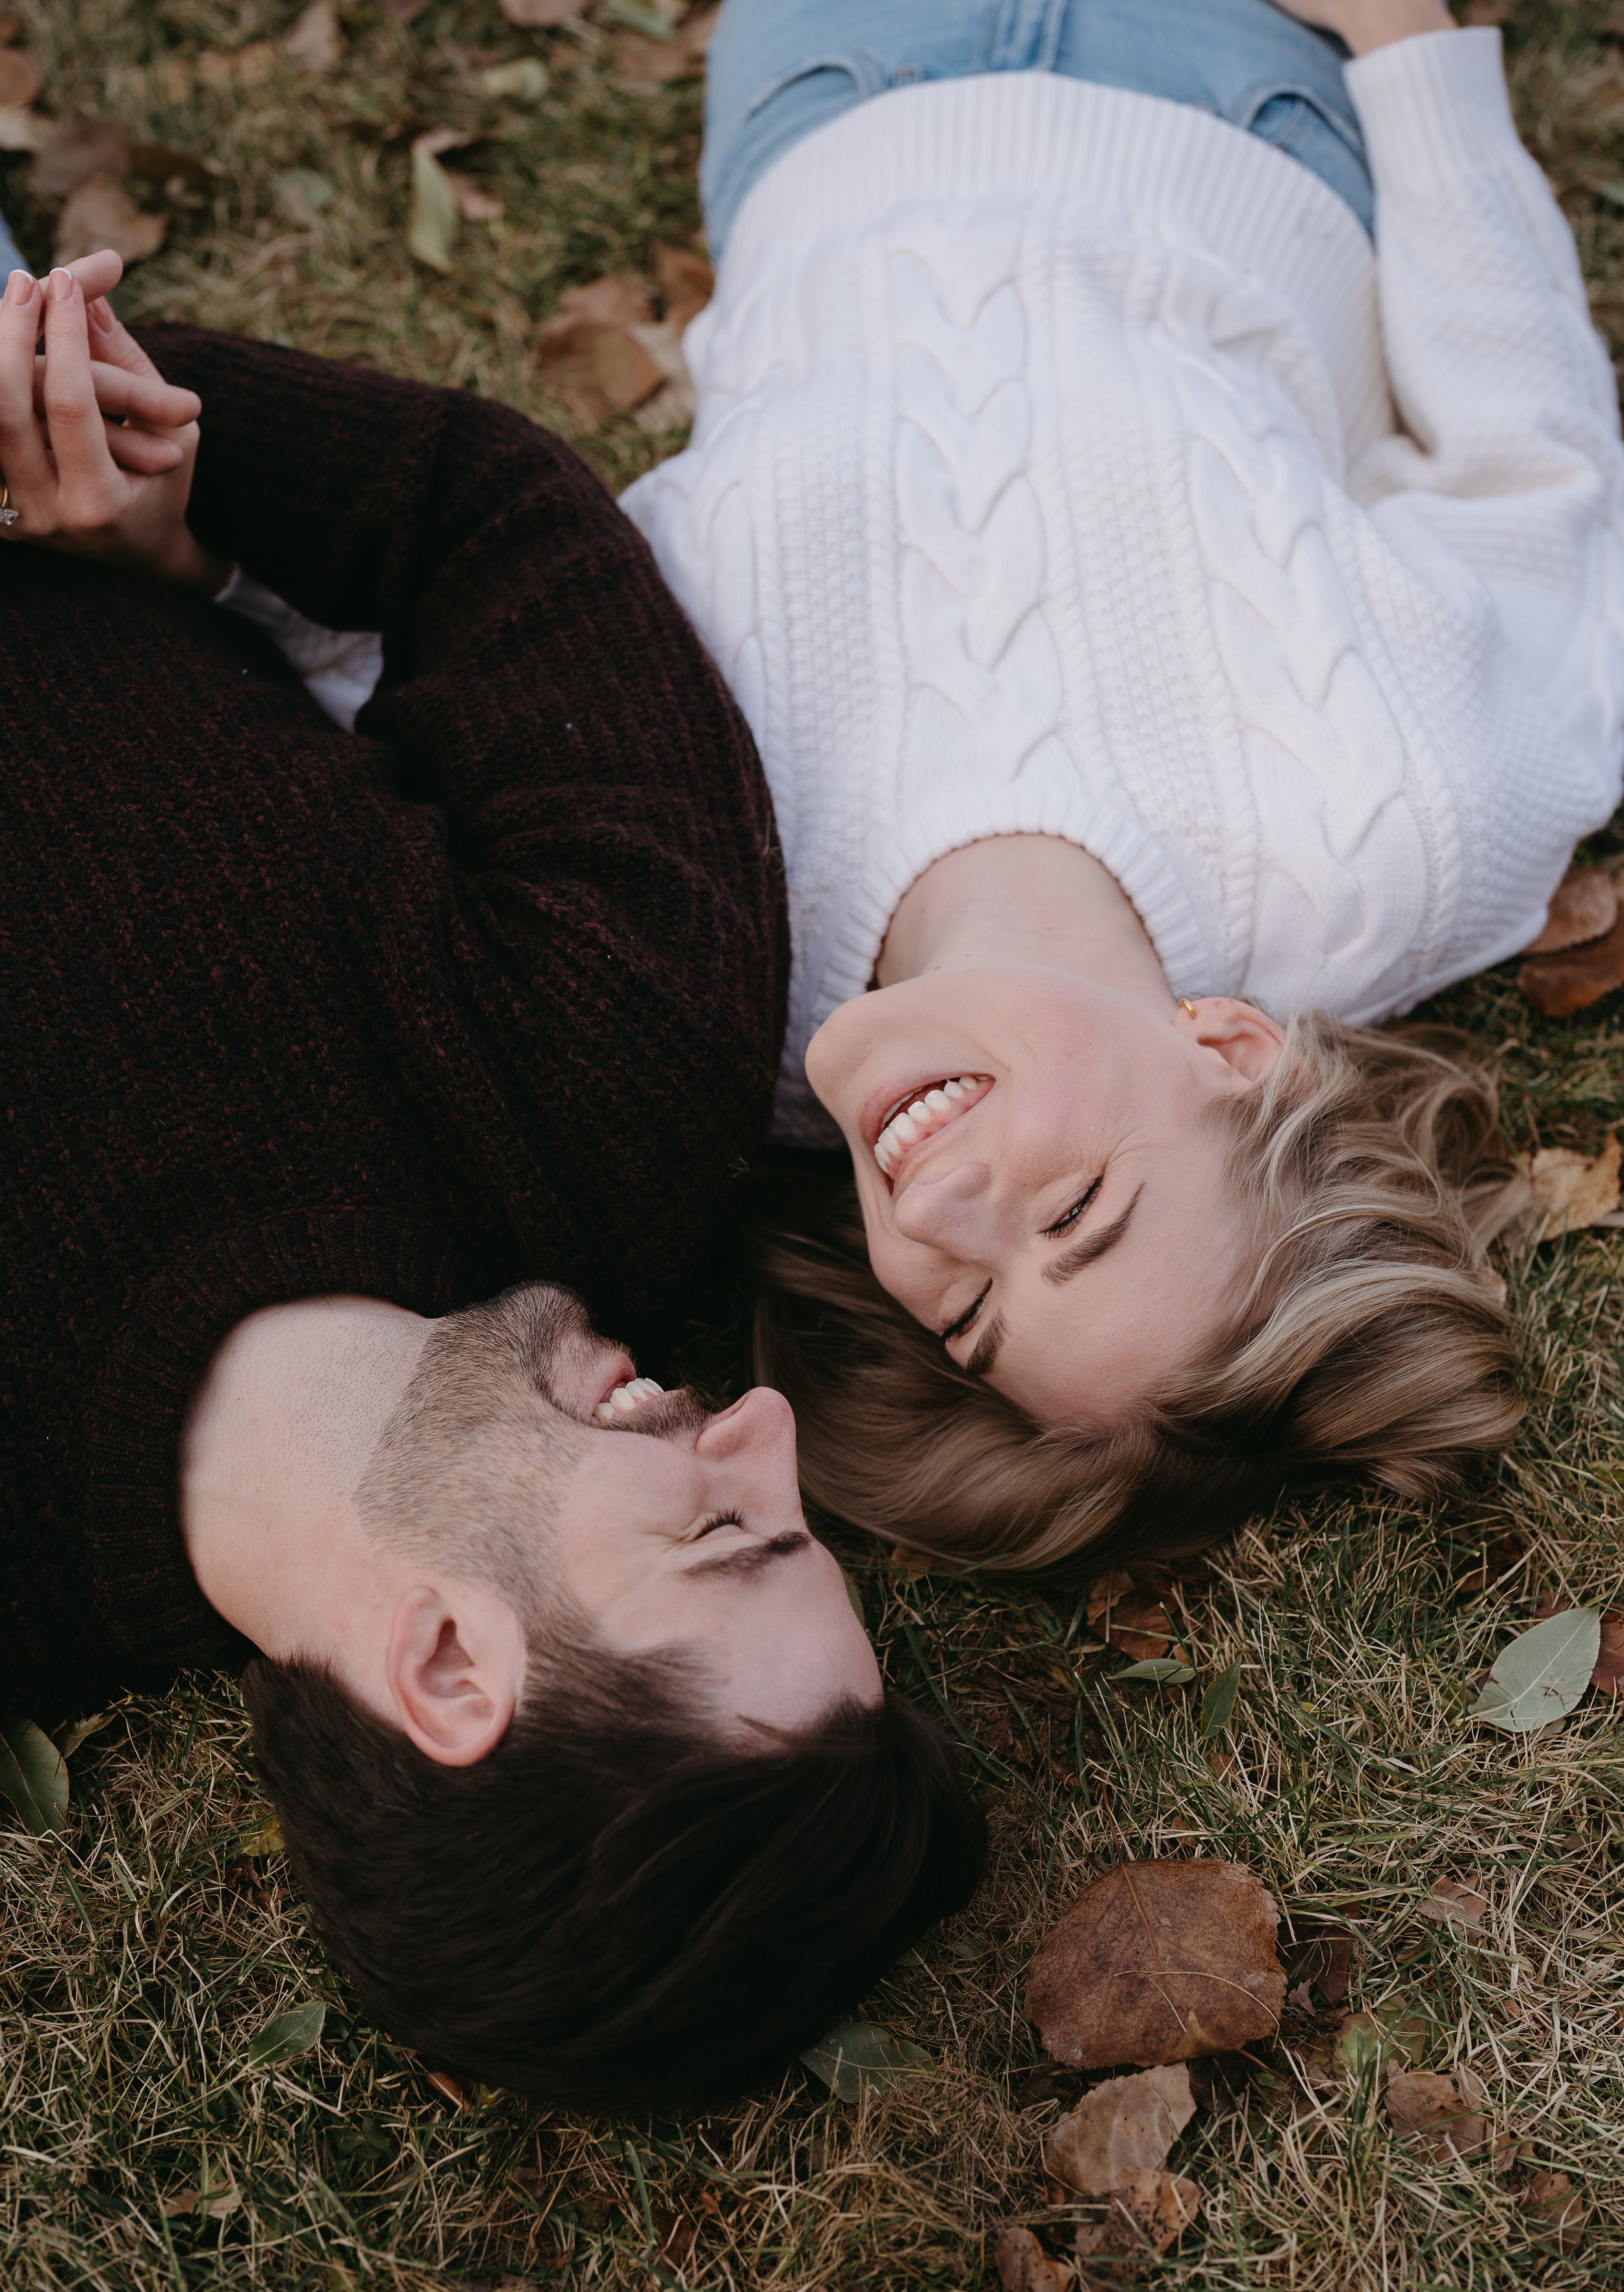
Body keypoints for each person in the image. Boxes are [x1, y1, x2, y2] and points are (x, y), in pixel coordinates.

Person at [0, 254, 983, 2108]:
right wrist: (112, 424)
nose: (760, 1420)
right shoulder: (603, 1087)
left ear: (451, 1665)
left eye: (720, 1529)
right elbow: (485, 520)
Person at [622, 0, 1624, 1572]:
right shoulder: (1394, 842)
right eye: (1077, 1210)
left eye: (963, 1315)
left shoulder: (692, 963)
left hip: (829, 92)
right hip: (1228, 82)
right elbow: (1536, 474)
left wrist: (183, 551)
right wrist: (1413, 55)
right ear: (1223, 1047)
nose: (942, 1216)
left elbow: (444, 660)